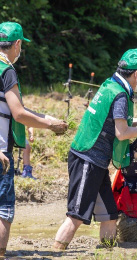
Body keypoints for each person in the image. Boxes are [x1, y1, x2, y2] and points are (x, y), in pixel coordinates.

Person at [53, 48, 137, 250]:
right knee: (76, 215)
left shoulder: (110, 85)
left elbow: (115, 122)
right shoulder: (120, 95)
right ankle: (55, 251)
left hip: (96, 161)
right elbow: (121, 132)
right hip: (88, 159)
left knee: (109, 215)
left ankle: (107, 252)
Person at [0, 21, 68, 257]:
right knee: (3, 209)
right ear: (17, 44)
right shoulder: (6, 69)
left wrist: (47, 119)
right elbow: (19, 112)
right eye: (21, 46)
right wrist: (50, 125)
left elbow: (18, 110)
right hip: (1, 152)